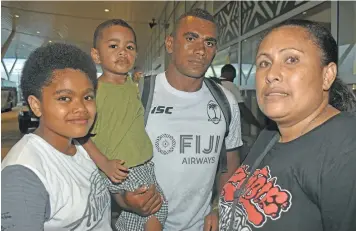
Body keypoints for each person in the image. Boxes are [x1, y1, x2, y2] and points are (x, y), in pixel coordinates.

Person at [219, 19, 356, 231]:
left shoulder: (346, 149)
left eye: (291, 59)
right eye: (264, 63)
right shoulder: (271, 134)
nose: (271, 74)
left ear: (327, 76)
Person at [140, 8, 243, 231]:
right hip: (146, 224)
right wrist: (126, 200)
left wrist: (218, 208)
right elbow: (116, 165)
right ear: (169, 44)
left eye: (209, 43)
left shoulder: (226, 102)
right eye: (190, 38)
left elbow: (230, 165)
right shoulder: (141, 95)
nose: (200, 50)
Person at [1, 43, 112, 230]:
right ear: (36, 105)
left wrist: (128, 201)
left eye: (88, 97)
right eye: (64, 98)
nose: (81, 108)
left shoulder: (78, 146)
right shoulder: (23, 176)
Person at [80, 19, 167, 231]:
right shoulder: (93, 92)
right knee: (158, 209)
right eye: (113, 46)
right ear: (96, 55)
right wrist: (105, 163)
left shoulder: (132, 85)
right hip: (122, 168)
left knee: (139, 217)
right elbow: (80, 134)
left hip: (144, 164)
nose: (122, 52)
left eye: (129, 47)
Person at [220, 64, 263, 130]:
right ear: (232, 74)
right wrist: (259, 125)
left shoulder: (214, 84)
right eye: (233, 77)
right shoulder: (231, 86)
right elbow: (243, 109)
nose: (233, 80)